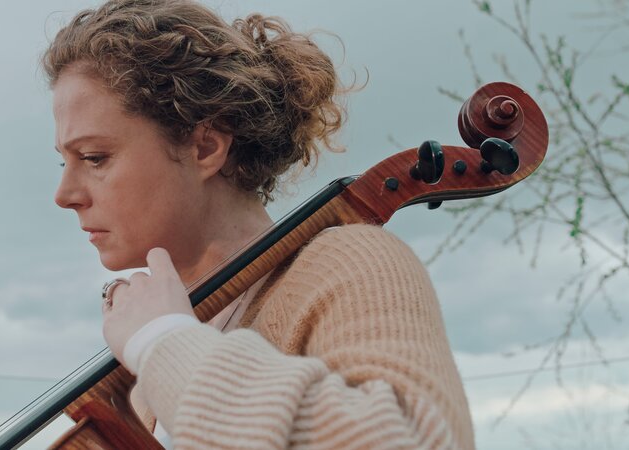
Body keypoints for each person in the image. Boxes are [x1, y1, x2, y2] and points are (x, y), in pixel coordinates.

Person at [44, 0, 474, 448]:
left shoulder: (349, 265)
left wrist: (163, 342)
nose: (64, 195)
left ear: (206, 148)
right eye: (63, 161)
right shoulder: (157, 377)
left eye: (94, 158)